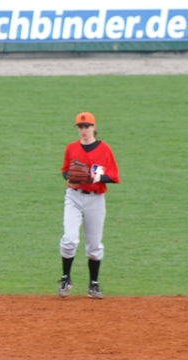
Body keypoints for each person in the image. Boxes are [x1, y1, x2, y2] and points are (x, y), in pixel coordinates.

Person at [58, 112, 120, 299]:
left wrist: (92, 177)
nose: (83, 130)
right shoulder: (71, 148)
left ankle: (94, 284)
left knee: (94, 245)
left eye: (87, 126)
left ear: (94, 127)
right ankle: (65, 278)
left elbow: (113, 176)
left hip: (95, 199)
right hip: (74, 198)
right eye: (80, 127)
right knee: (69, 240)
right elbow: (65, 171)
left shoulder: (105, 149)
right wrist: (70, 179)